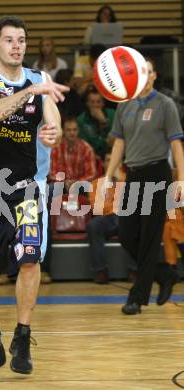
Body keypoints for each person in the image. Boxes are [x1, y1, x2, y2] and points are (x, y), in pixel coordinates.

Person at [0, 16, 69, 374]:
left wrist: (53, 131)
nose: (17, 45)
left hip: (29, 188)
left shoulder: (41, 80)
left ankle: (23, 335)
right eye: (9, 40)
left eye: (21, 39)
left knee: (29, 259)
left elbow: (51, 118)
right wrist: (30, 93)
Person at [104, 58, 184, 315]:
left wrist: (180, 180)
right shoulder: (124, 104)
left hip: (157, 174)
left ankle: (136, 299)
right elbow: (118, 143)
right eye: (141, 72)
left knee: (149, 238)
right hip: (133, 175)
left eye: (148, 72)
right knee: (126, 233)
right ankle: (164, 273)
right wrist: (108, 176)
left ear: (154, 75)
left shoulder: (165, 104)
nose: (145, 76)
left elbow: (176, 145)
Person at [87, 151, 137, 284]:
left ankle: (134, 270)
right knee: (93, 225)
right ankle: (100, 271)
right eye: (108, 160)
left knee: (138, 221)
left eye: (115, 160)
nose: (112, 164)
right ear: (103, 164)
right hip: (107, 219)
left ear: (120, 164)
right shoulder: (96, 183)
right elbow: (96, 208)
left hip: (126, 218)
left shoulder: (129, 179)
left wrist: (121, 181)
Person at [49, 116, 96, 193]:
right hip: (61, 185)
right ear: (63, 131)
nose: (72, 133)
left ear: (78, 130)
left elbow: (91, 173)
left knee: (91, 188)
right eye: (68, 130)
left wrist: (77, 183)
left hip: (81, 185)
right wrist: (65, 182)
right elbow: (53, 173)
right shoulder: (56, 148)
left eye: (74, 130)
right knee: (50, 188)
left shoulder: (87, 148)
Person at [78, 87, 115, 158]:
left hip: (111, 155)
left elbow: (115, 139)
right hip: (90, 157)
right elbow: (84, 145)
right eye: (92, 102)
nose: (95, 105)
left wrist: (104, 121)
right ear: (87, 103)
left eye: (98, 102)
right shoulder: (81, 120)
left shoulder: (112, 114)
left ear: (103, 103)